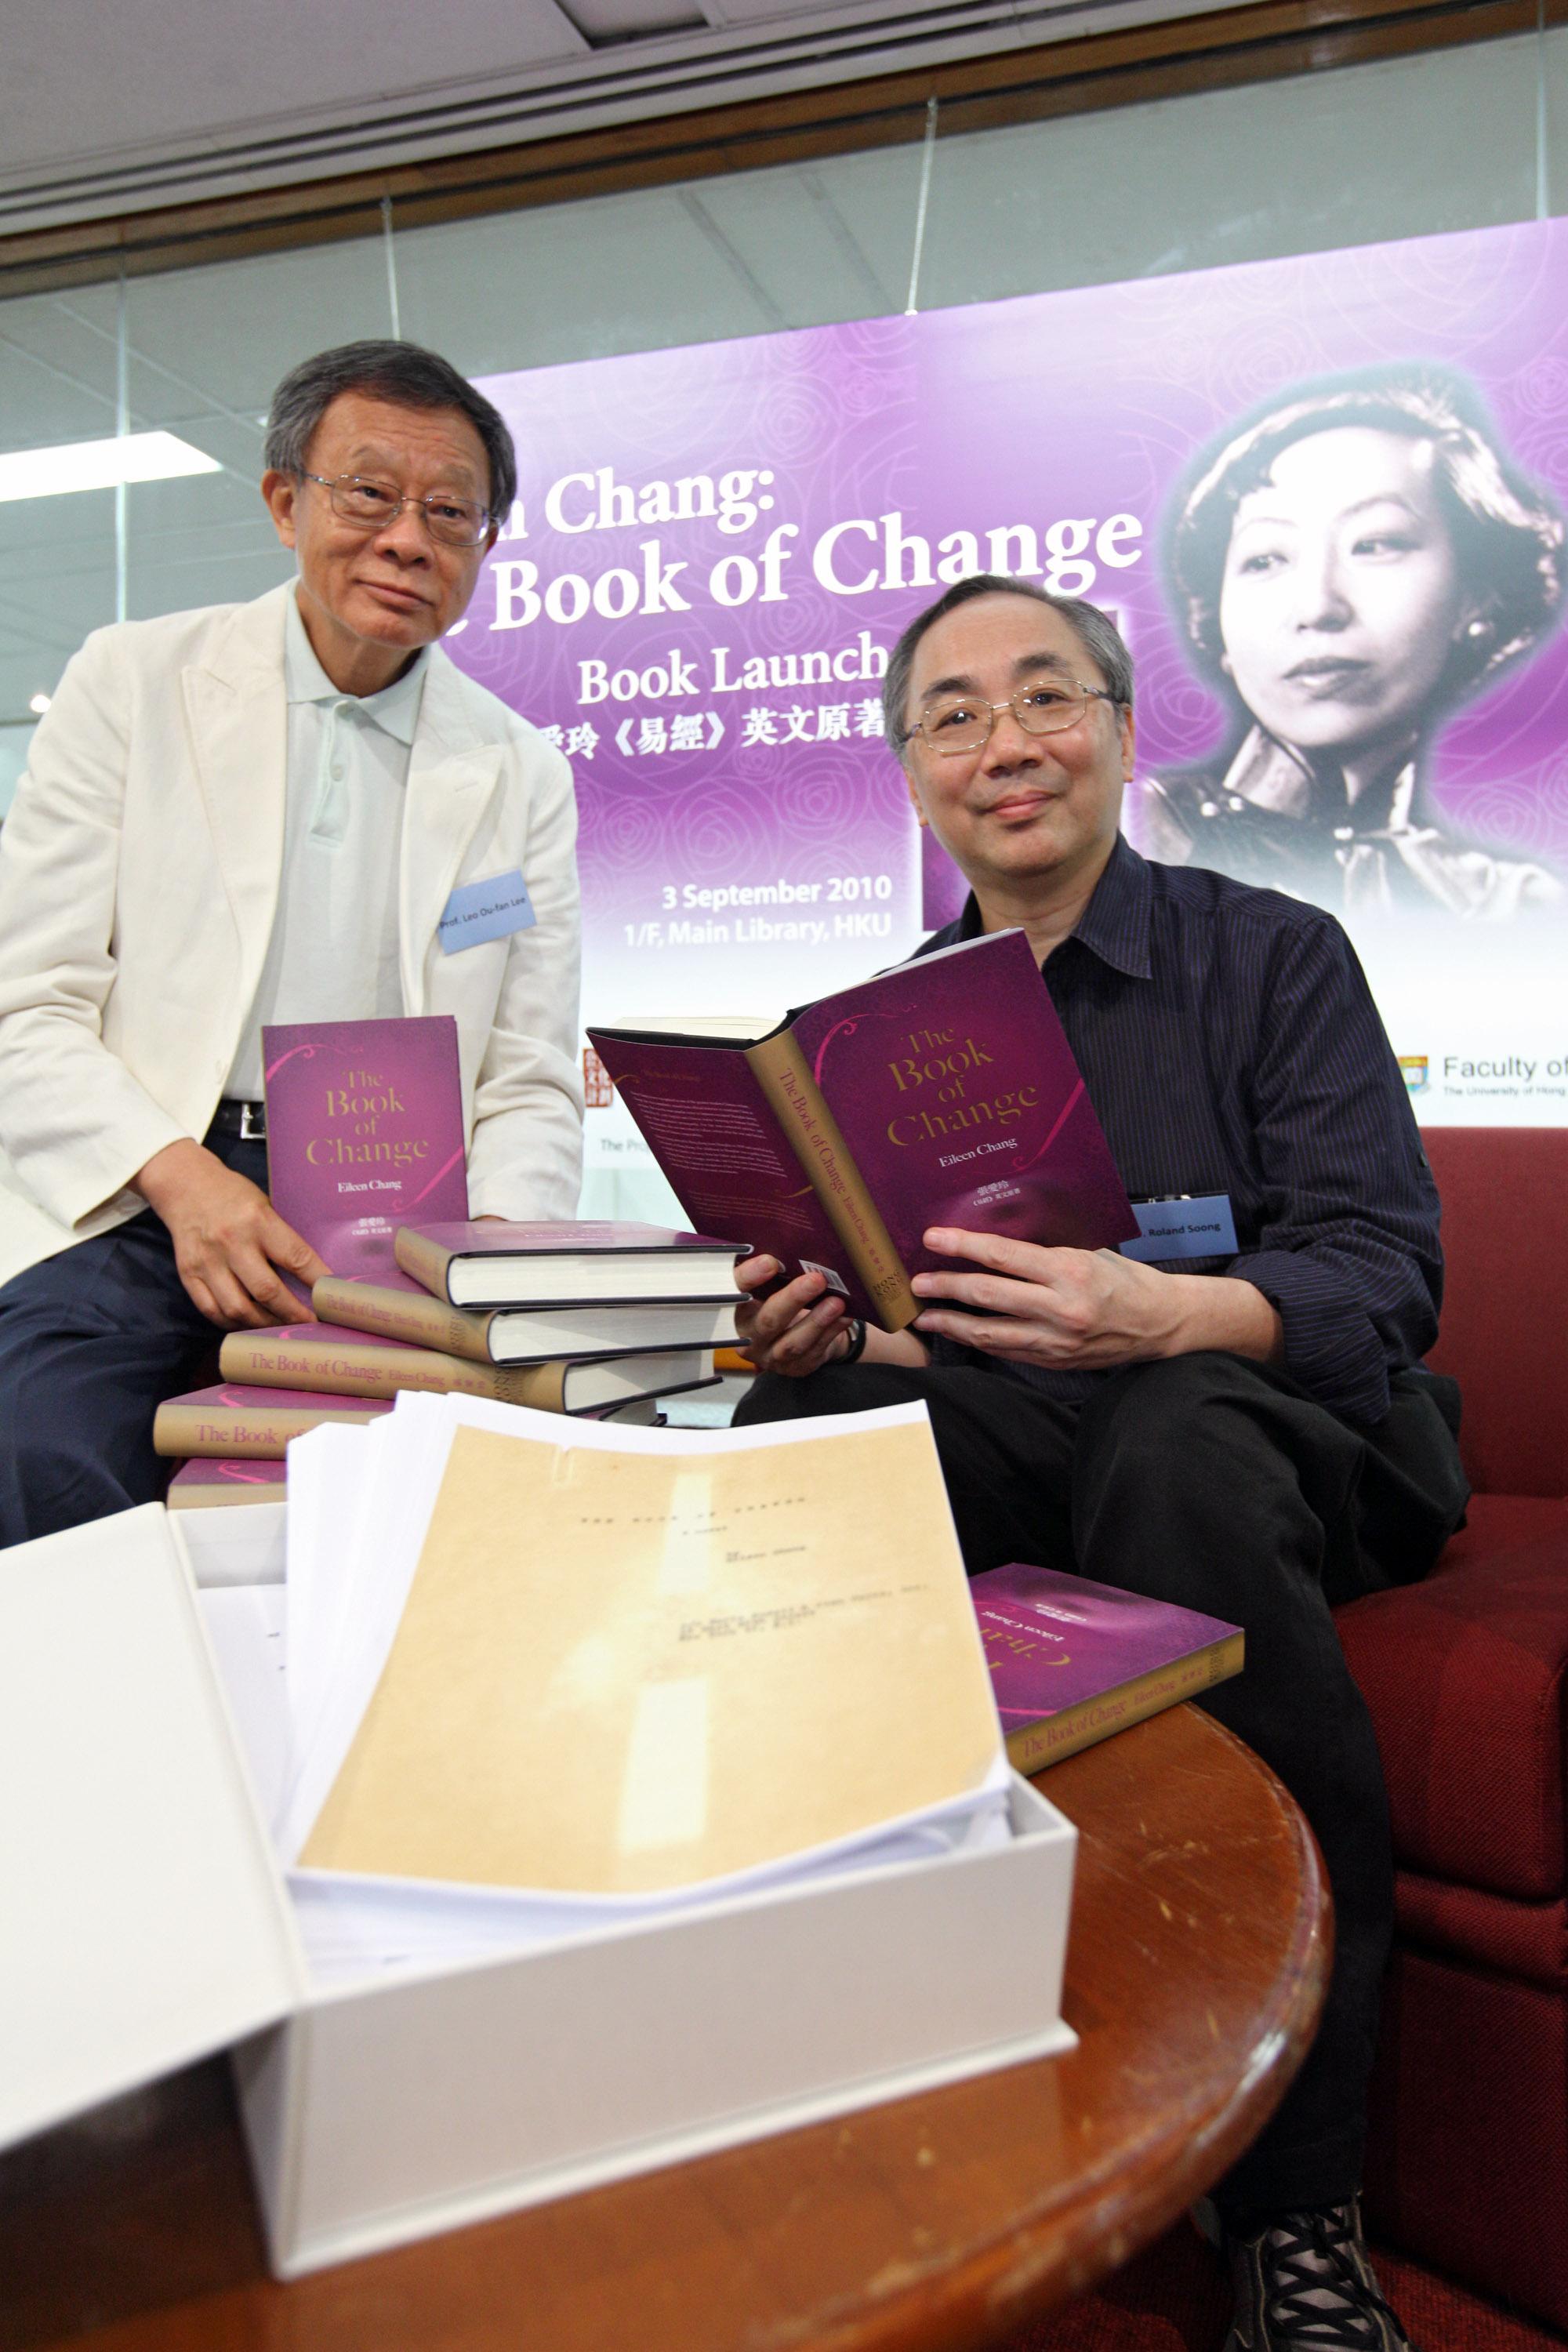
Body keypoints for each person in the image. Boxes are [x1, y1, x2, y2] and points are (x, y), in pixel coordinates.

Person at [734, 572, 1468, 2351]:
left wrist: (1156, 1311)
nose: (1004, 743)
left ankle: (1295, 2208)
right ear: (912, 770)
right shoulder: (866, 1031)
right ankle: (834, 2065)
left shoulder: (1272, 954)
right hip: (1034, 1426)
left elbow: (1383, 1269)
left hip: (1279, 1427)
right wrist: (813, 1330)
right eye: (954, 714)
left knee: (1169, 1437)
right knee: (794, 1439)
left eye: (1044, 697)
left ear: (1125, 733)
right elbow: (922, 1329)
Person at [0, 339, 583, 1549]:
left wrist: (497, 1275)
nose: (407, 540)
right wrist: (185, 1180)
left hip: (394, 1219)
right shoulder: (136, 683)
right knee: (47, 1447)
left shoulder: (518, 770)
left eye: (450, 513)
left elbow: (525, 1076)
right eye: (368, 493)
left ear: (484, 546)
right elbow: (28, 1002)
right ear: (284, 503)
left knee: (422, 1499)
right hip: (144, 1186)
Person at [1138, 362, 1565, 920]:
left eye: (1375, 545)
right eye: (1265, 559)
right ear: (1216, 618)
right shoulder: (1129, 844)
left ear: (1475, 599)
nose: (1318, 608)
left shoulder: (1511, 907)